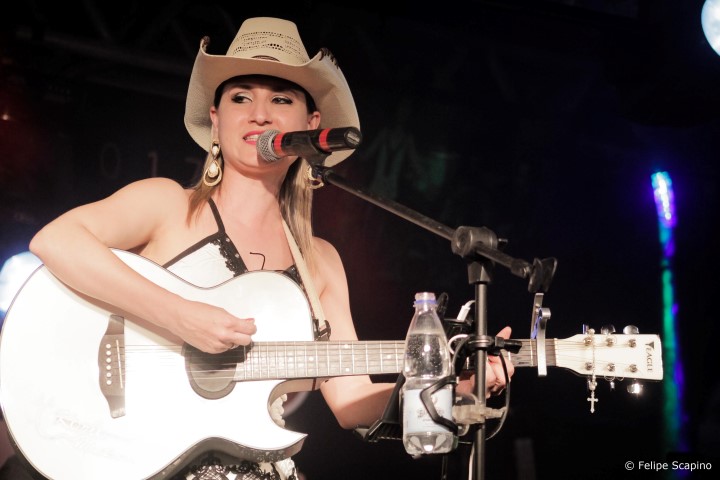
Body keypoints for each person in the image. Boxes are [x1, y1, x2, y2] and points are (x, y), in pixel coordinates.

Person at [21, 17, 514, 480]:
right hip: (143, 453)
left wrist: (457, 388)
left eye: (280, 98)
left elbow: (351, 400)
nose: (259, 113)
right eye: (241, 97)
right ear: (216, 120)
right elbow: (55, 239)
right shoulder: (167, 204)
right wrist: (180, 316)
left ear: (311, 123)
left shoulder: (320, 261)